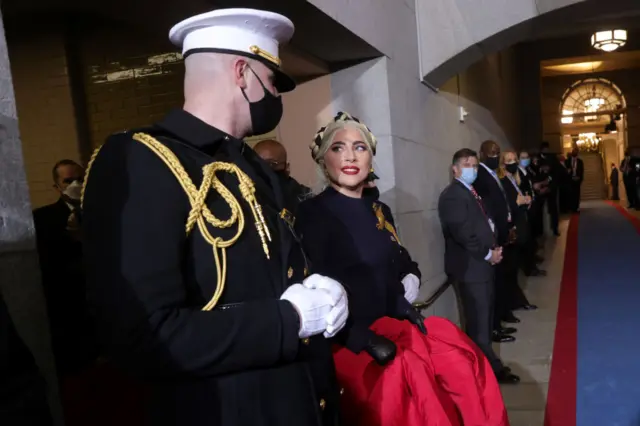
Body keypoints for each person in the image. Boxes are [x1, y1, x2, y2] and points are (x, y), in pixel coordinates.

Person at [81, 9, 349, 426]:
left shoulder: (252, 165)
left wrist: (321, 294)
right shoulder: (141, 160)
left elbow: (275, 274)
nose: (276, 95)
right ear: (242, 73)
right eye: (272, 81)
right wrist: (288, 320)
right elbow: (141, 336)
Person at [297, 113, 510, 425]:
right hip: (349, 341)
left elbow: (399, 262)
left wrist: (410, 281)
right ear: (323, 158)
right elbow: (314, 292)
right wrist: (362, 340)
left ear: (370, 156)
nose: (350, 157)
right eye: (338, 148)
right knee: (417, 392)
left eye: (359, 147)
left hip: (394, 324)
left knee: (464, 363)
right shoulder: (312, 214)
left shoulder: (378, 210)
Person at [439, 147, 519, 385]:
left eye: (474, 165)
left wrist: (494, 247)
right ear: (455, 170)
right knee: (479, 324)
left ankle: (482, 368)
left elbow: (483, 223)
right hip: (471, 267)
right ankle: (490, 373)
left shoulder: (470, 191)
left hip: (482, 266)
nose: (472, 169)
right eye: (466, 164)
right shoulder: (453, 195)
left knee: (483, 319)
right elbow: (462, 232)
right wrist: (487, 253)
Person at [33, 160, 97, 375]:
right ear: (57, 187)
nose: (75, 184)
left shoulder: (105, 214)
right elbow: (47, 267)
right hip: (68, 313)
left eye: (80, 179)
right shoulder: (41, 219)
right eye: (68, 180)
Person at [474, 140, 520, 339]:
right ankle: (493, 327)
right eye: (491, 153)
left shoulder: (494, 174)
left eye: (497, 152)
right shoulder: (481, 176)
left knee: (501, 280)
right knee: (494, 284)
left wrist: (509, 225)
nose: (495, 156)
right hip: (493, 237)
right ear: (482, 153)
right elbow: (488, 208)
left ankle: (499, 321)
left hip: (503, 232)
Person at [498, 151, 537, 313]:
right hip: (512, 229)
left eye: (515, 160)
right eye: (509, 160)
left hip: (520, 226)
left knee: (514, 268)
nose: (513, 163)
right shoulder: (502, 180)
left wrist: (525, 201)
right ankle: (513, 302)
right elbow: (506, 204)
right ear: (502, 163)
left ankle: (517, 300)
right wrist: (519, 201)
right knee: (510, 268)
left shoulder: (513, 179)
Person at [253, 138, 311, 213]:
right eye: (257, 165)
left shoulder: (306, 199)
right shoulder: (249, 198)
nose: (264, 170)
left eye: (270, 164)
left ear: (287, 168)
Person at [518, 151, 546, 277]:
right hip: (525, 209)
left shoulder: (527, 171)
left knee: (532, 235)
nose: (525, 159)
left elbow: (531, 185)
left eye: (526, 157)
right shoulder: (517, 173)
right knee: (527, 238)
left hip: (532, 204)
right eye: (522, 158)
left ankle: (533, 259)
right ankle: (530, 267)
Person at [539, 142, 561, 236]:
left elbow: (557, 172)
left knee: (553, 209)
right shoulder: (537, 159)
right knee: (539, 209)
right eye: (544, 150)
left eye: (547, 149)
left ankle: (555, 228)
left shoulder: (553, 158)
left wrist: (550, 183)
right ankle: (540, 231)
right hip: (540, 188)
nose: (546, 151)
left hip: (552, 187)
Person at [564, 148, 584, 213]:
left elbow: (582, 171)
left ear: (577, 153)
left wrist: (580, 179)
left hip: (577, 180)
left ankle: (576, 208)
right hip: (570, 180)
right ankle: (571, 208)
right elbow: (565, 171)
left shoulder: (580, 161)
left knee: (577, 194)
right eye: (574, 151)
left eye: (576, 151)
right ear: (572, 152)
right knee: (570, 194)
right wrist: (568, 172)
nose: (575, 152)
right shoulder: (567, 161)